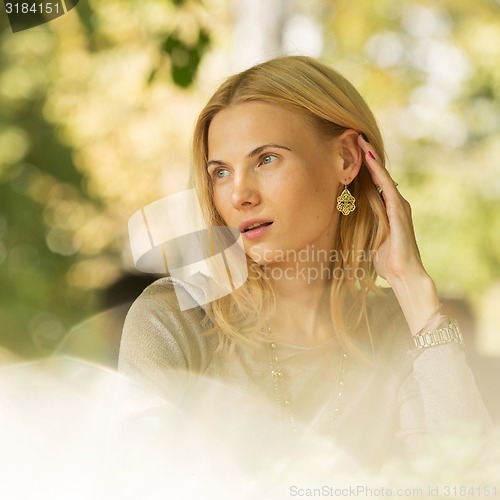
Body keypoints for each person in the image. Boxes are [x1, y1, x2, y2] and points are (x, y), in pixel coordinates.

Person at [118, 56, 493, 478]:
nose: (239, 195)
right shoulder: (174, 318)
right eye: (221, 172)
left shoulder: (398, 333)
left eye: (266, 160)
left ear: (348, 160)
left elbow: (469, 478)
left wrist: (414, 289)